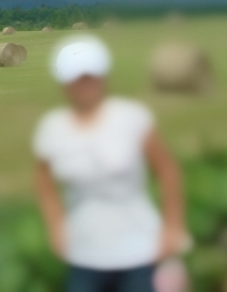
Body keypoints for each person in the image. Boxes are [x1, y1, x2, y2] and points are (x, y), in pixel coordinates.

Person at [33, 36, 187, 292]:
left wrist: (173, 228)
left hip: (138, 251)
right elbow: (42, 179)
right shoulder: (53, 128)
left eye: (90, 77)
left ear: (103, 77)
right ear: (64, 83)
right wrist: (56, 227)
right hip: (83, 252)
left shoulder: (132, 118)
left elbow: (168, 170)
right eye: (76, 79)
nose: (84, 85)